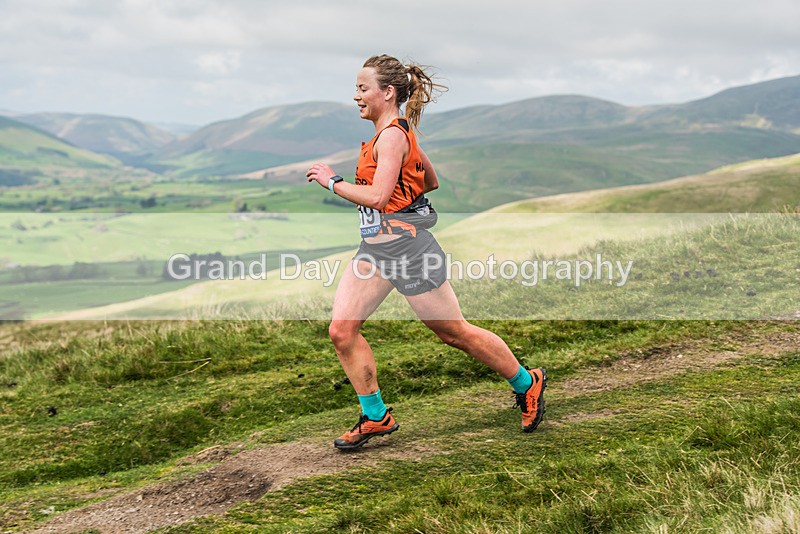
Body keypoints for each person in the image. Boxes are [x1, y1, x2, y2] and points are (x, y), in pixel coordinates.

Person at [306, 54, 546, 450]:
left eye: (363, 89)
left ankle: (527, 381)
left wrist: (333, 182)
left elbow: (378, 197)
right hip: (376, 252)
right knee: (342, 331)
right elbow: (428, 180)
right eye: (356, 89)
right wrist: (404, 196)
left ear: (387, 92)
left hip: (410, 252)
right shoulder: (392, 135)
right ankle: (375, 416)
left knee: (453, 332)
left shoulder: (393, 136)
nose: (356, 96)